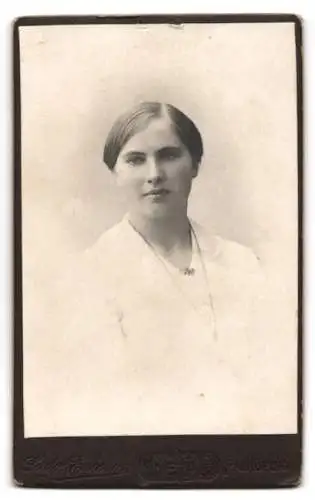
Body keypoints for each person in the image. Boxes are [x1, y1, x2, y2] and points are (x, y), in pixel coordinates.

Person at [26, 101, 270, 437]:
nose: (154, 174)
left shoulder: (243, 263)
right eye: (135, 159)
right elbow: (99, 401)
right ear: (115, 172)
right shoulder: (88, 276)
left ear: (195, 164)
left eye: (169, 155)